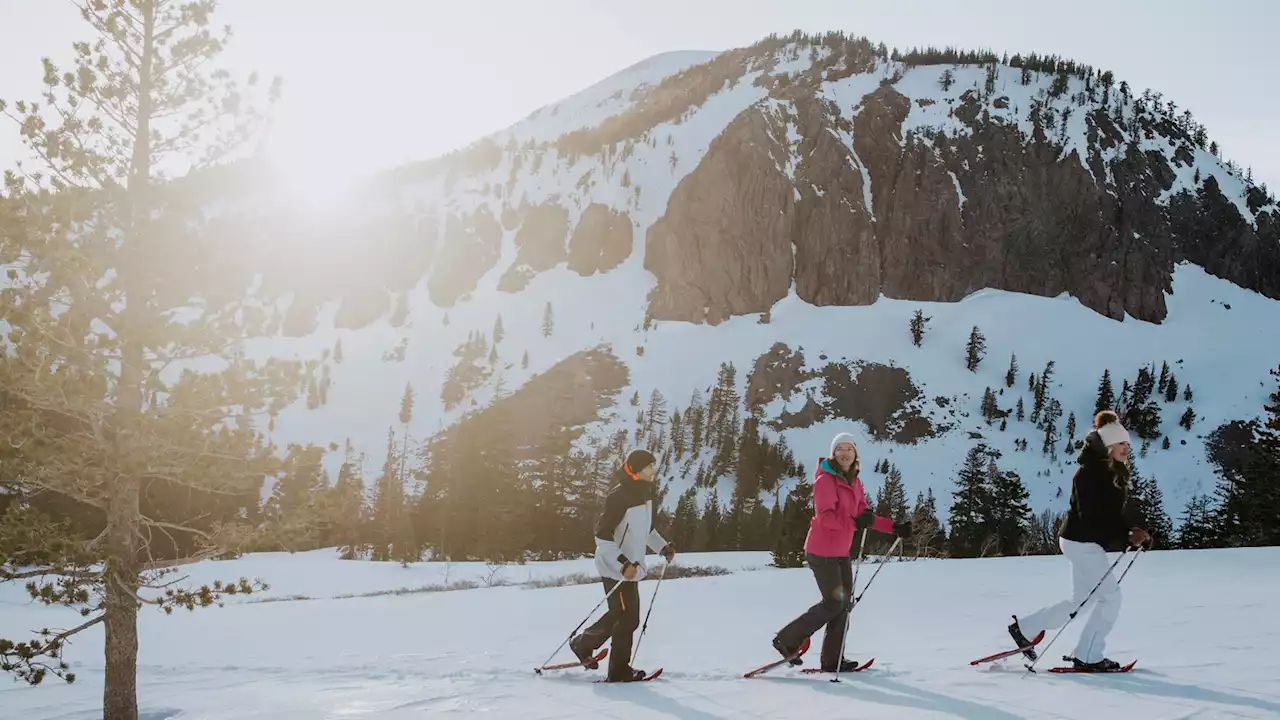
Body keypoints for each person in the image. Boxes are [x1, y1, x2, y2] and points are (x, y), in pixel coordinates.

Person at [1007, 410, 1151, 671]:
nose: (1126, 448)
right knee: (1111, 598)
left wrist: (1131, 530)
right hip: (1081, 542)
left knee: (1081, 601)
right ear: (1107, 445)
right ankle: (1089, 655)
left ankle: (1025, 629)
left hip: (1083, 541)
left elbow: (1111, 514)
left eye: (1127, 443)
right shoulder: (1088, 474)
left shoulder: (1111, 471)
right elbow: (1092, 516)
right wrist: (1125, 536)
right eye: (1121, 443)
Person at [772, 432, 913, 672]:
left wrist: (893, 527)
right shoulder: (824, 480)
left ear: (855, 453)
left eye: (849, 449)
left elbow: (864, 515)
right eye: (840, 449)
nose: (845, 453)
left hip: (840, 552)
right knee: (833, 603)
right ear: (833, 453)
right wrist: (853, 523)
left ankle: (832, 659)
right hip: (821, 550)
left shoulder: (854, 481)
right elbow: (825, 517)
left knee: (844, 604)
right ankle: (786, 640)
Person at [569, 449, 675, 682]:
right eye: (649, 466)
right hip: (615, 568)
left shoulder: (644, 494)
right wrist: (622, 564)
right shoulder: (619, 497)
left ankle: (584, 644)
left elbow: (645, 530)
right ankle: (617, 670)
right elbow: (603, 535)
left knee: (623, 616)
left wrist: (663, 547)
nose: (653, 471)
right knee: (627, 618)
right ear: (637, 469)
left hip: (631, 569)